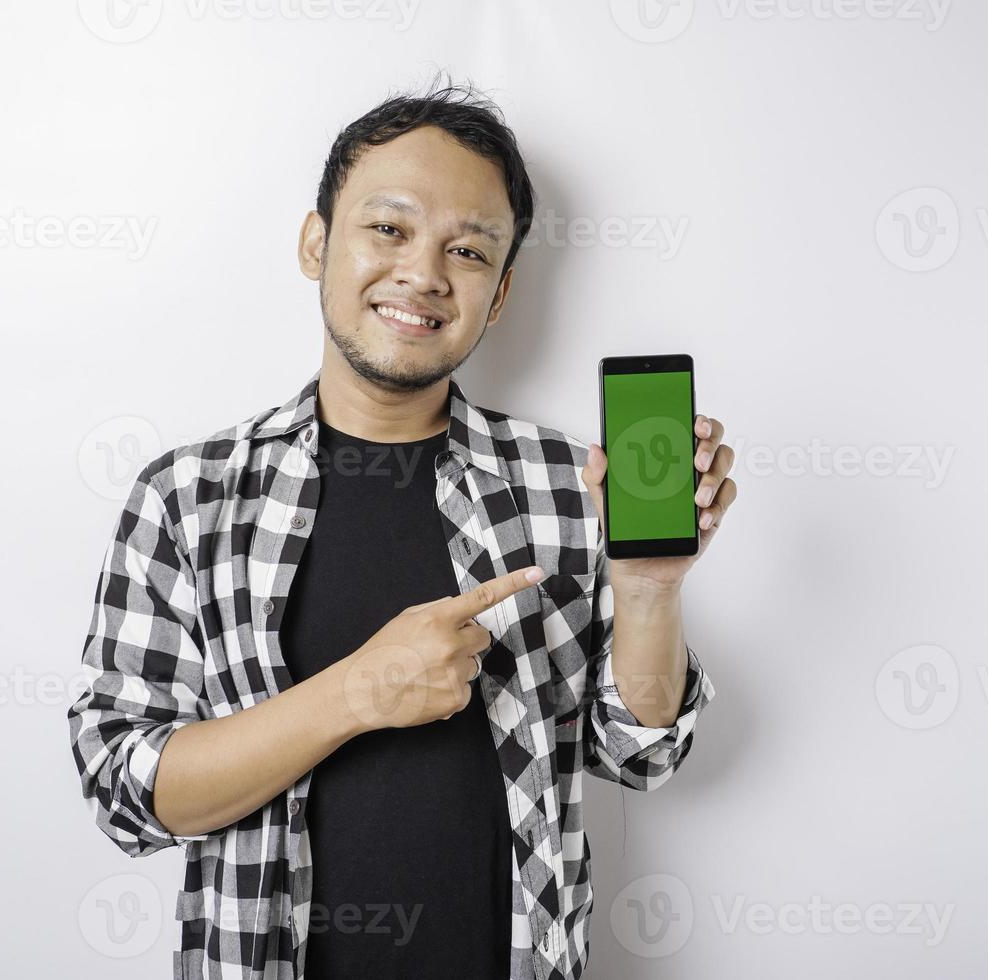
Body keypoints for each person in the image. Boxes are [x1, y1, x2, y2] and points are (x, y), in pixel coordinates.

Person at [66, 74, 736, 980]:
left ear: (499, 295)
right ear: (317, 242)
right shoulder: (190, 496)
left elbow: (642, 754)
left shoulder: (570, 486)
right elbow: (125, 791)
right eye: (388, 228)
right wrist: (359, 692)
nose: (421, 273)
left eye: (467, 250)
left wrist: (651, 593)